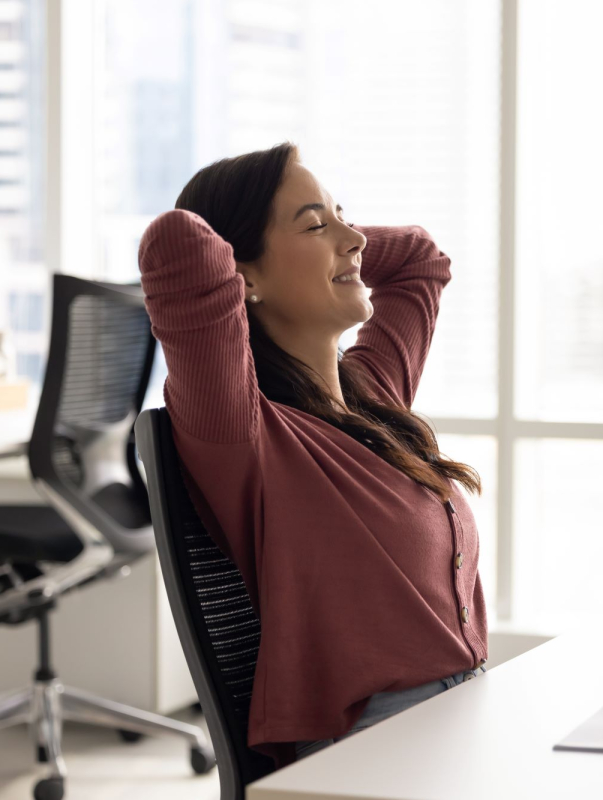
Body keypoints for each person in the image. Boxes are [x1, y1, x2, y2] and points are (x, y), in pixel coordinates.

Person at [138, 142, 487, 765]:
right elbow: (176, 243)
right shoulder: (241, 432)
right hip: (378, 747)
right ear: (242, 276)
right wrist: (299, 240)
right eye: (316, 225)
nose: (354, 238)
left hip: (462, 717)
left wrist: (329, 236)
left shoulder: (372, 393)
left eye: (345, 217)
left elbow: (421, 261)